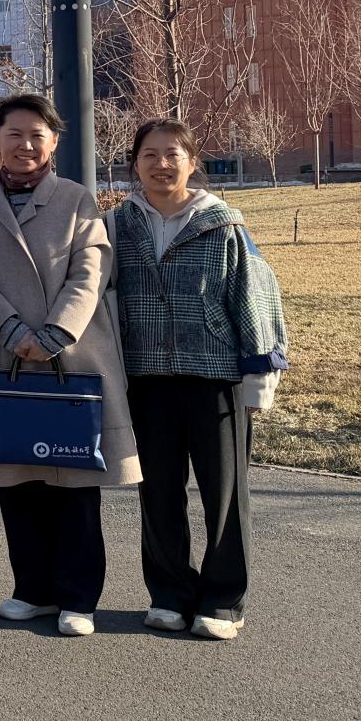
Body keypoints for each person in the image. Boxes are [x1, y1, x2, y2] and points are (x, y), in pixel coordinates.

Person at [0, 92, 140, 637]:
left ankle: (78, 597)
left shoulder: (78, 201)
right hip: (5, 355)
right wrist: (13, 332)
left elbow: (91, 270)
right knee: (17, 479)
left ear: (54, 142)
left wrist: (54, 334)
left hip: (71, 357)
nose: (25, 145)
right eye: (14, 133)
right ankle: (32, 589)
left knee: (74, 482)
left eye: (37, 135)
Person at [108, 117, 287, 641]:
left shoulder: (223, 225)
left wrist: (258, 375)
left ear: (192, 163)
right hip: (145, 379)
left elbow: (255, 297)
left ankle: (223, 600)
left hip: (215, 380)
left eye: (173, 155)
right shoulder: (117, 227)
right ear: (134, 164)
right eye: (149, 155)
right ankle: (168, 594)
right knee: (157, 492)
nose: (161, 165)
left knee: (224, 495)